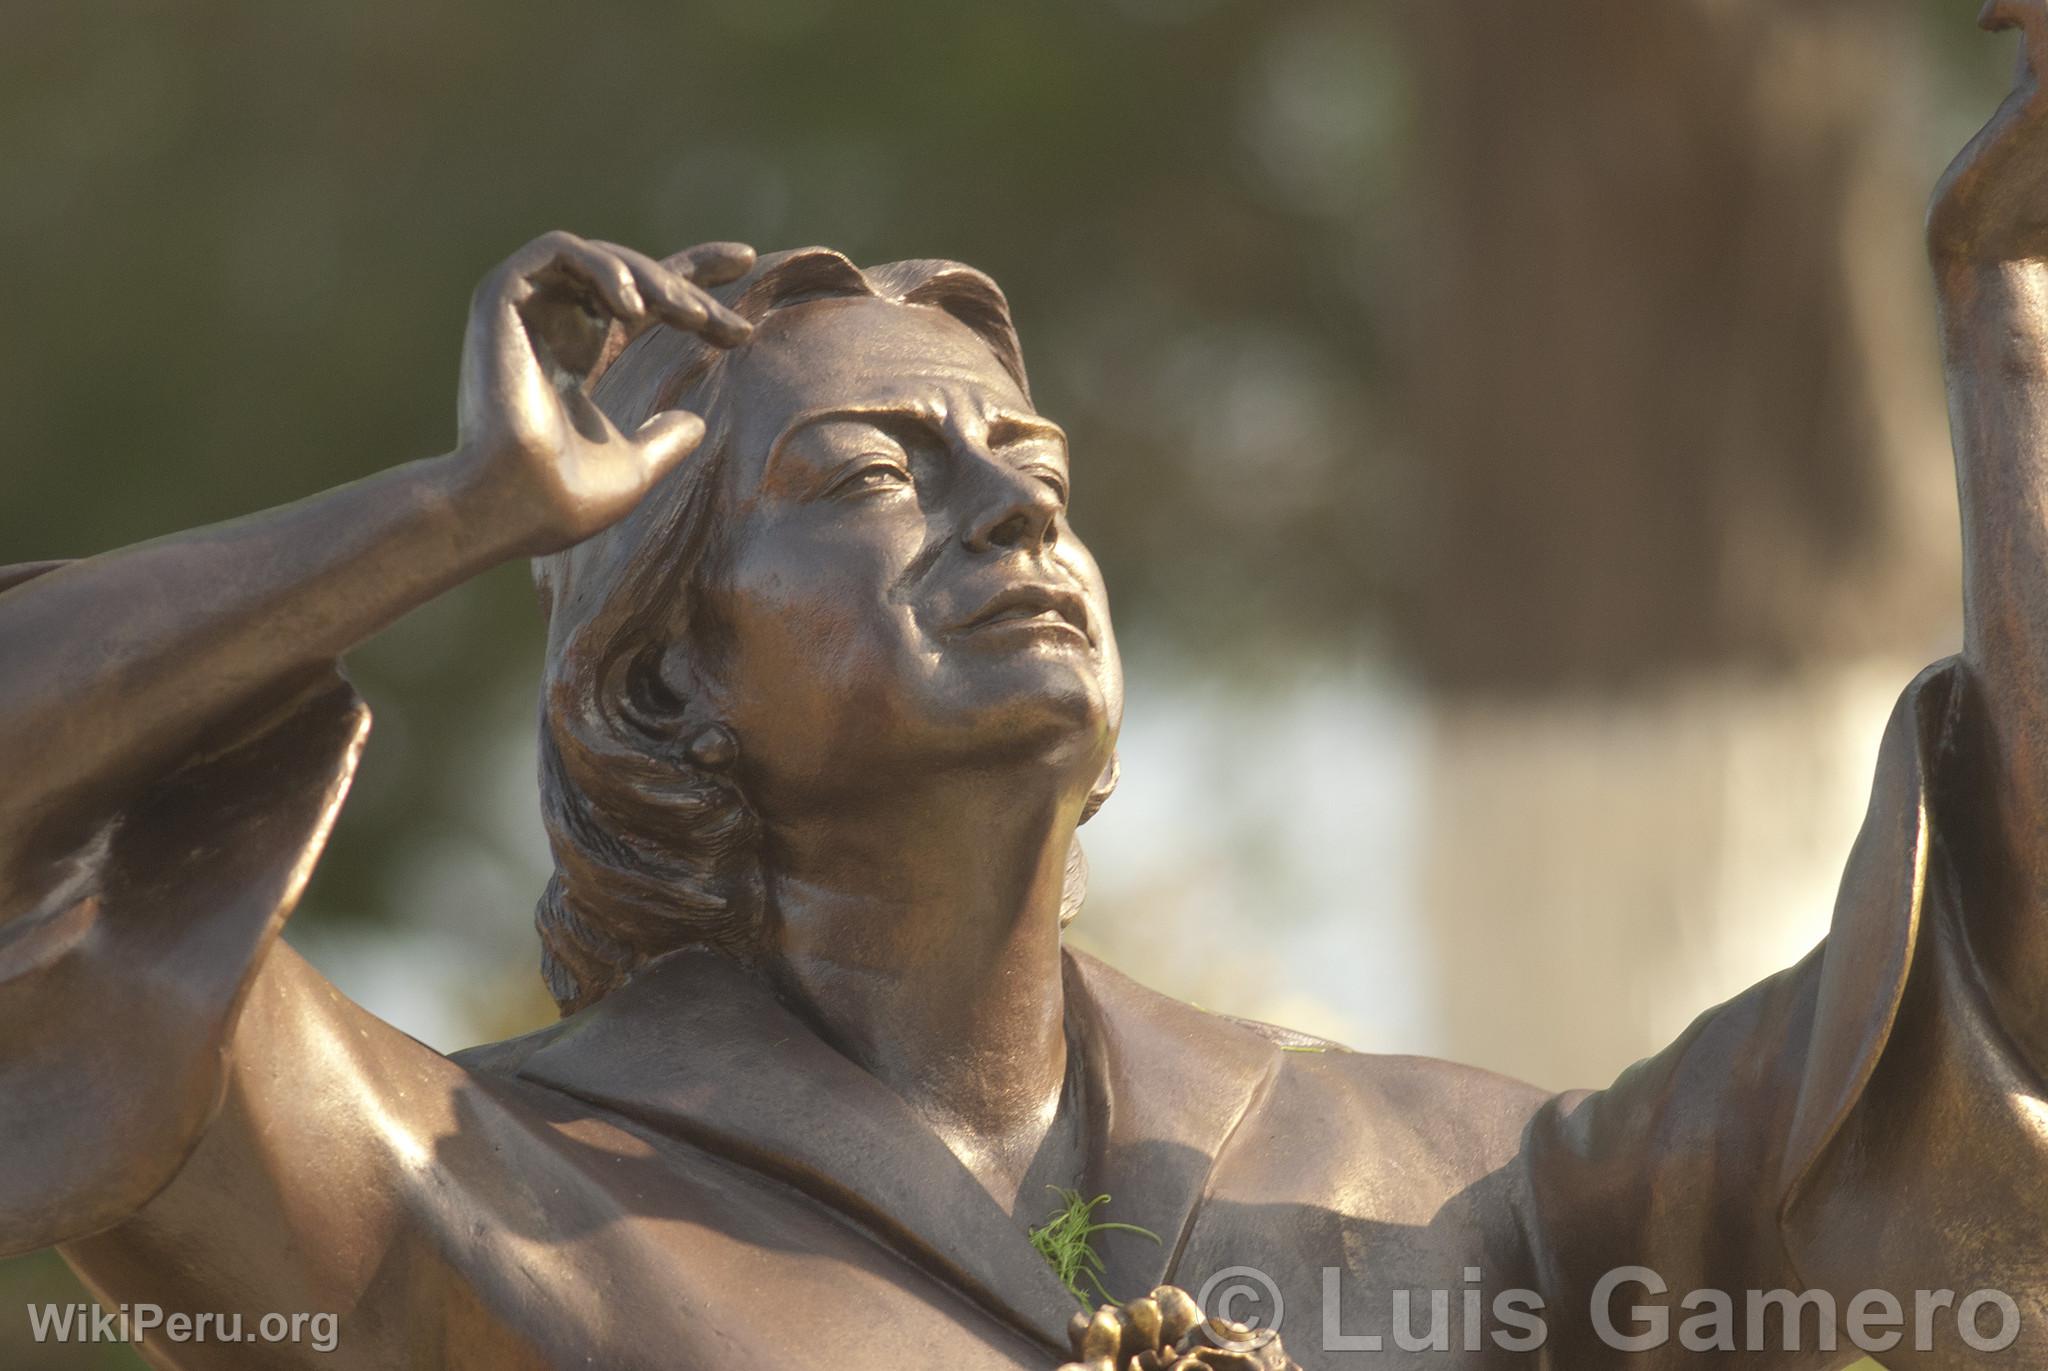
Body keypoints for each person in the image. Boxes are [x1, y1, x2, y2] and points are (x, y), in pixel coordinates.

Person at [8, 9, 2048, 1368]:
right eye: (875, 475)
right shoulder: (450, 1190)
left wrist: (2009, 346)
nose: (1009, 511)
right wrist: (456, 513)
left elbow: (1982, 1006)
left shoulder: (1456, 1194)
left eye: (1036, 467)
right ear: (675, 675)